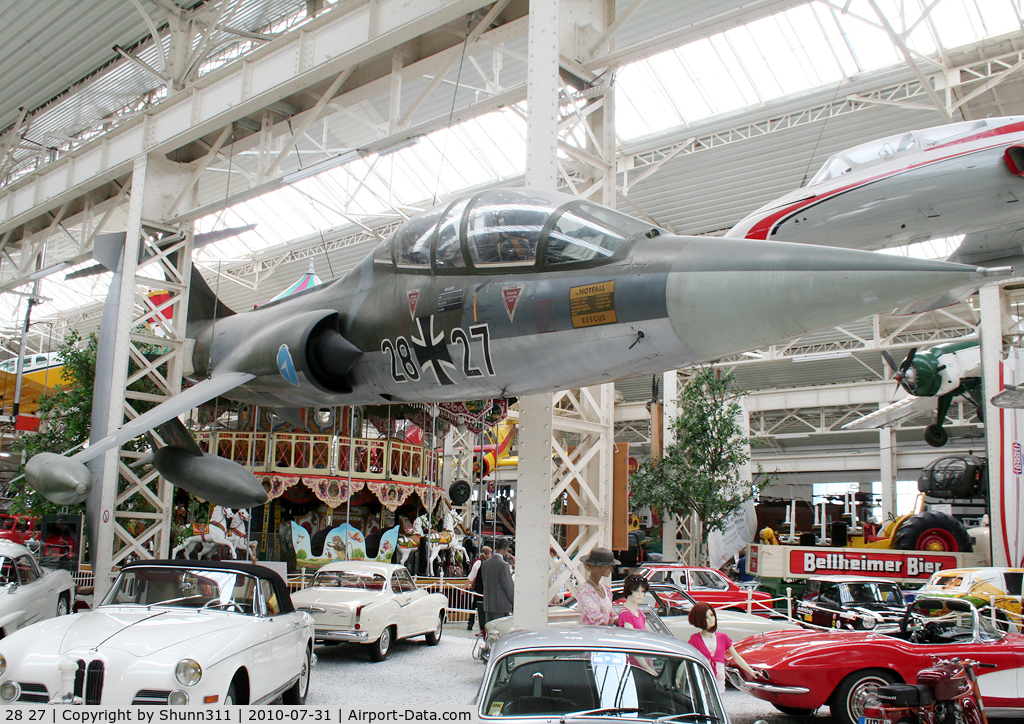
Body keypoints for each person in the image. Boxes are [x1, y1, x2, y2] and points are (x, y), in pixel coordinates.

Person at [686, 601, 765, 693]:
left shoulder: (722, 637)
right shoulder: (695, 639)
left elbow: (736, 657)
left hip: (719, 678)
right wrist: (678, 679)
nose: (711, 619)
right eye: (706, 618)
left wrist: (750, 670)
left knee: (718, 702)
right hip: (702, 677)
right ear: (699, 620)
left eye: (712, 615)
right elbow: (688, 659)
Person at [576, 547, 619, 626]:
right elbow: (598, 622)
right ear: (600, 568)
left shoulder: (604, 588)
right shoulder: (585, 592)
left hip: (603, 635)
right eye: (609, 566)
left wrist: (628, 624)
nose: (611, 569)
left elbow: (611, 616)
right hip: (591, 636)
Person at [480, 538, 514, 625]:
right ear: (505, 550)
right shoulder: (504, 565)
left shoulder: (485, 564)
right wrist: (514, 602)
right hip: (501, 607)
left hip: (488, 605)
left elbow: (484, 582)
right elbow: (508, 587)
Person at [465, 545, 492, 631]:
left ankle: (470, 623)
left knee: (474, 606)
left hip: (479, 588)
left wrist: (465, 587)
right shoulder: (490, 563)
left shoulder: (478, 563)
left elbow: (471, 577)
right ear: (489, 554)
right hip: (488, 589)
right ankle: (484, 626)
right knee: (485, 608)